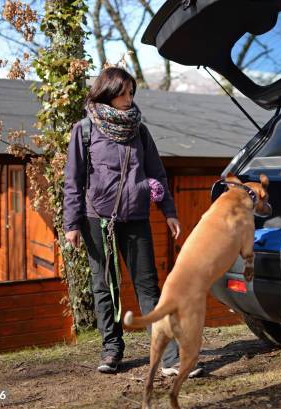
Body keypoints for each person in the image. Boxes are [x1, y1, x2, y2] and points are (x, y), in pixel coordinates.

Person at [62, 67, 203, 377]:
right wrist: (71, 223)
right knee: (104, 287)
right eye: (123, 93)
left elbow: (157, 173)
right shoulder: (84, 131)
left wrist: (169, 211)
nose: (129, 99)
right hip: (95, 220)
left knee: (148, 287)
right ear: (108, 92)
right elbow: (72, 181)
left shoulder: (139, 131)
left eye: (131, 93)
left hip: (136, 218)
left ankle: (169, 357)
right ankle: (111, 349)